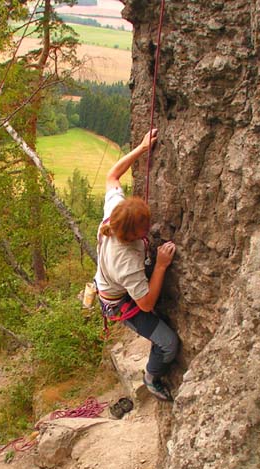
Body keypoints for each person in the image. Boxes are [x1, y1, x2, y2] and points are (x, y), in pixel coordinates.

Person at [95, 128, 179, 401]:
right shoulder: (126, 260)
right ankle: (152, 378)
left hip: (113, 283)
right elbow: (145, 305)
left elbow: (112, 176)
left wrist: (142, 148)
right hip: (120, 303)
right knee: (168, 343)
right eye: (145, 227)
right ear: (132, 235)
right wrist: (161, 266)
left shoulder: (116, 214)